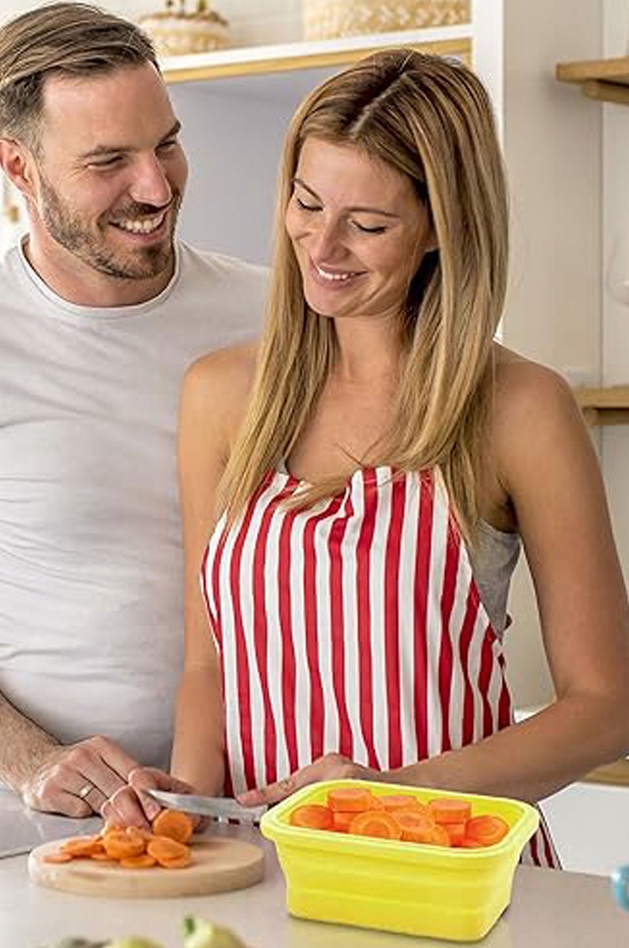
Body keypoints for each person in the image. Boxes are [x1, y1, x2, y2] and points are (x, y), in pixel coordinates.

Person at [131, 47, 629, 865]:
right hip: (261, 872)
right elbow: (208, 662)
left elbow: (606, 707)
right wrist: (186, 823)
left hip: (449, 876)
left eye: (367, 225)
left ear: (440, 229)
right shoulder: (222, 394)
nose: (322, 246)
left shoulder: (519, 410)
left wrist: (383, 800)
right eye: (306, 202)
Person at [0, 2, 267, 822]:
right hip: (47, 817)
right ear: (18, 167)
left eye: (166, 144)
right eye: (108, 160)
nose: (154, 186)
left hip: (261, 797)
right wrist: (32, 763)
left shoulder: (273, 313)